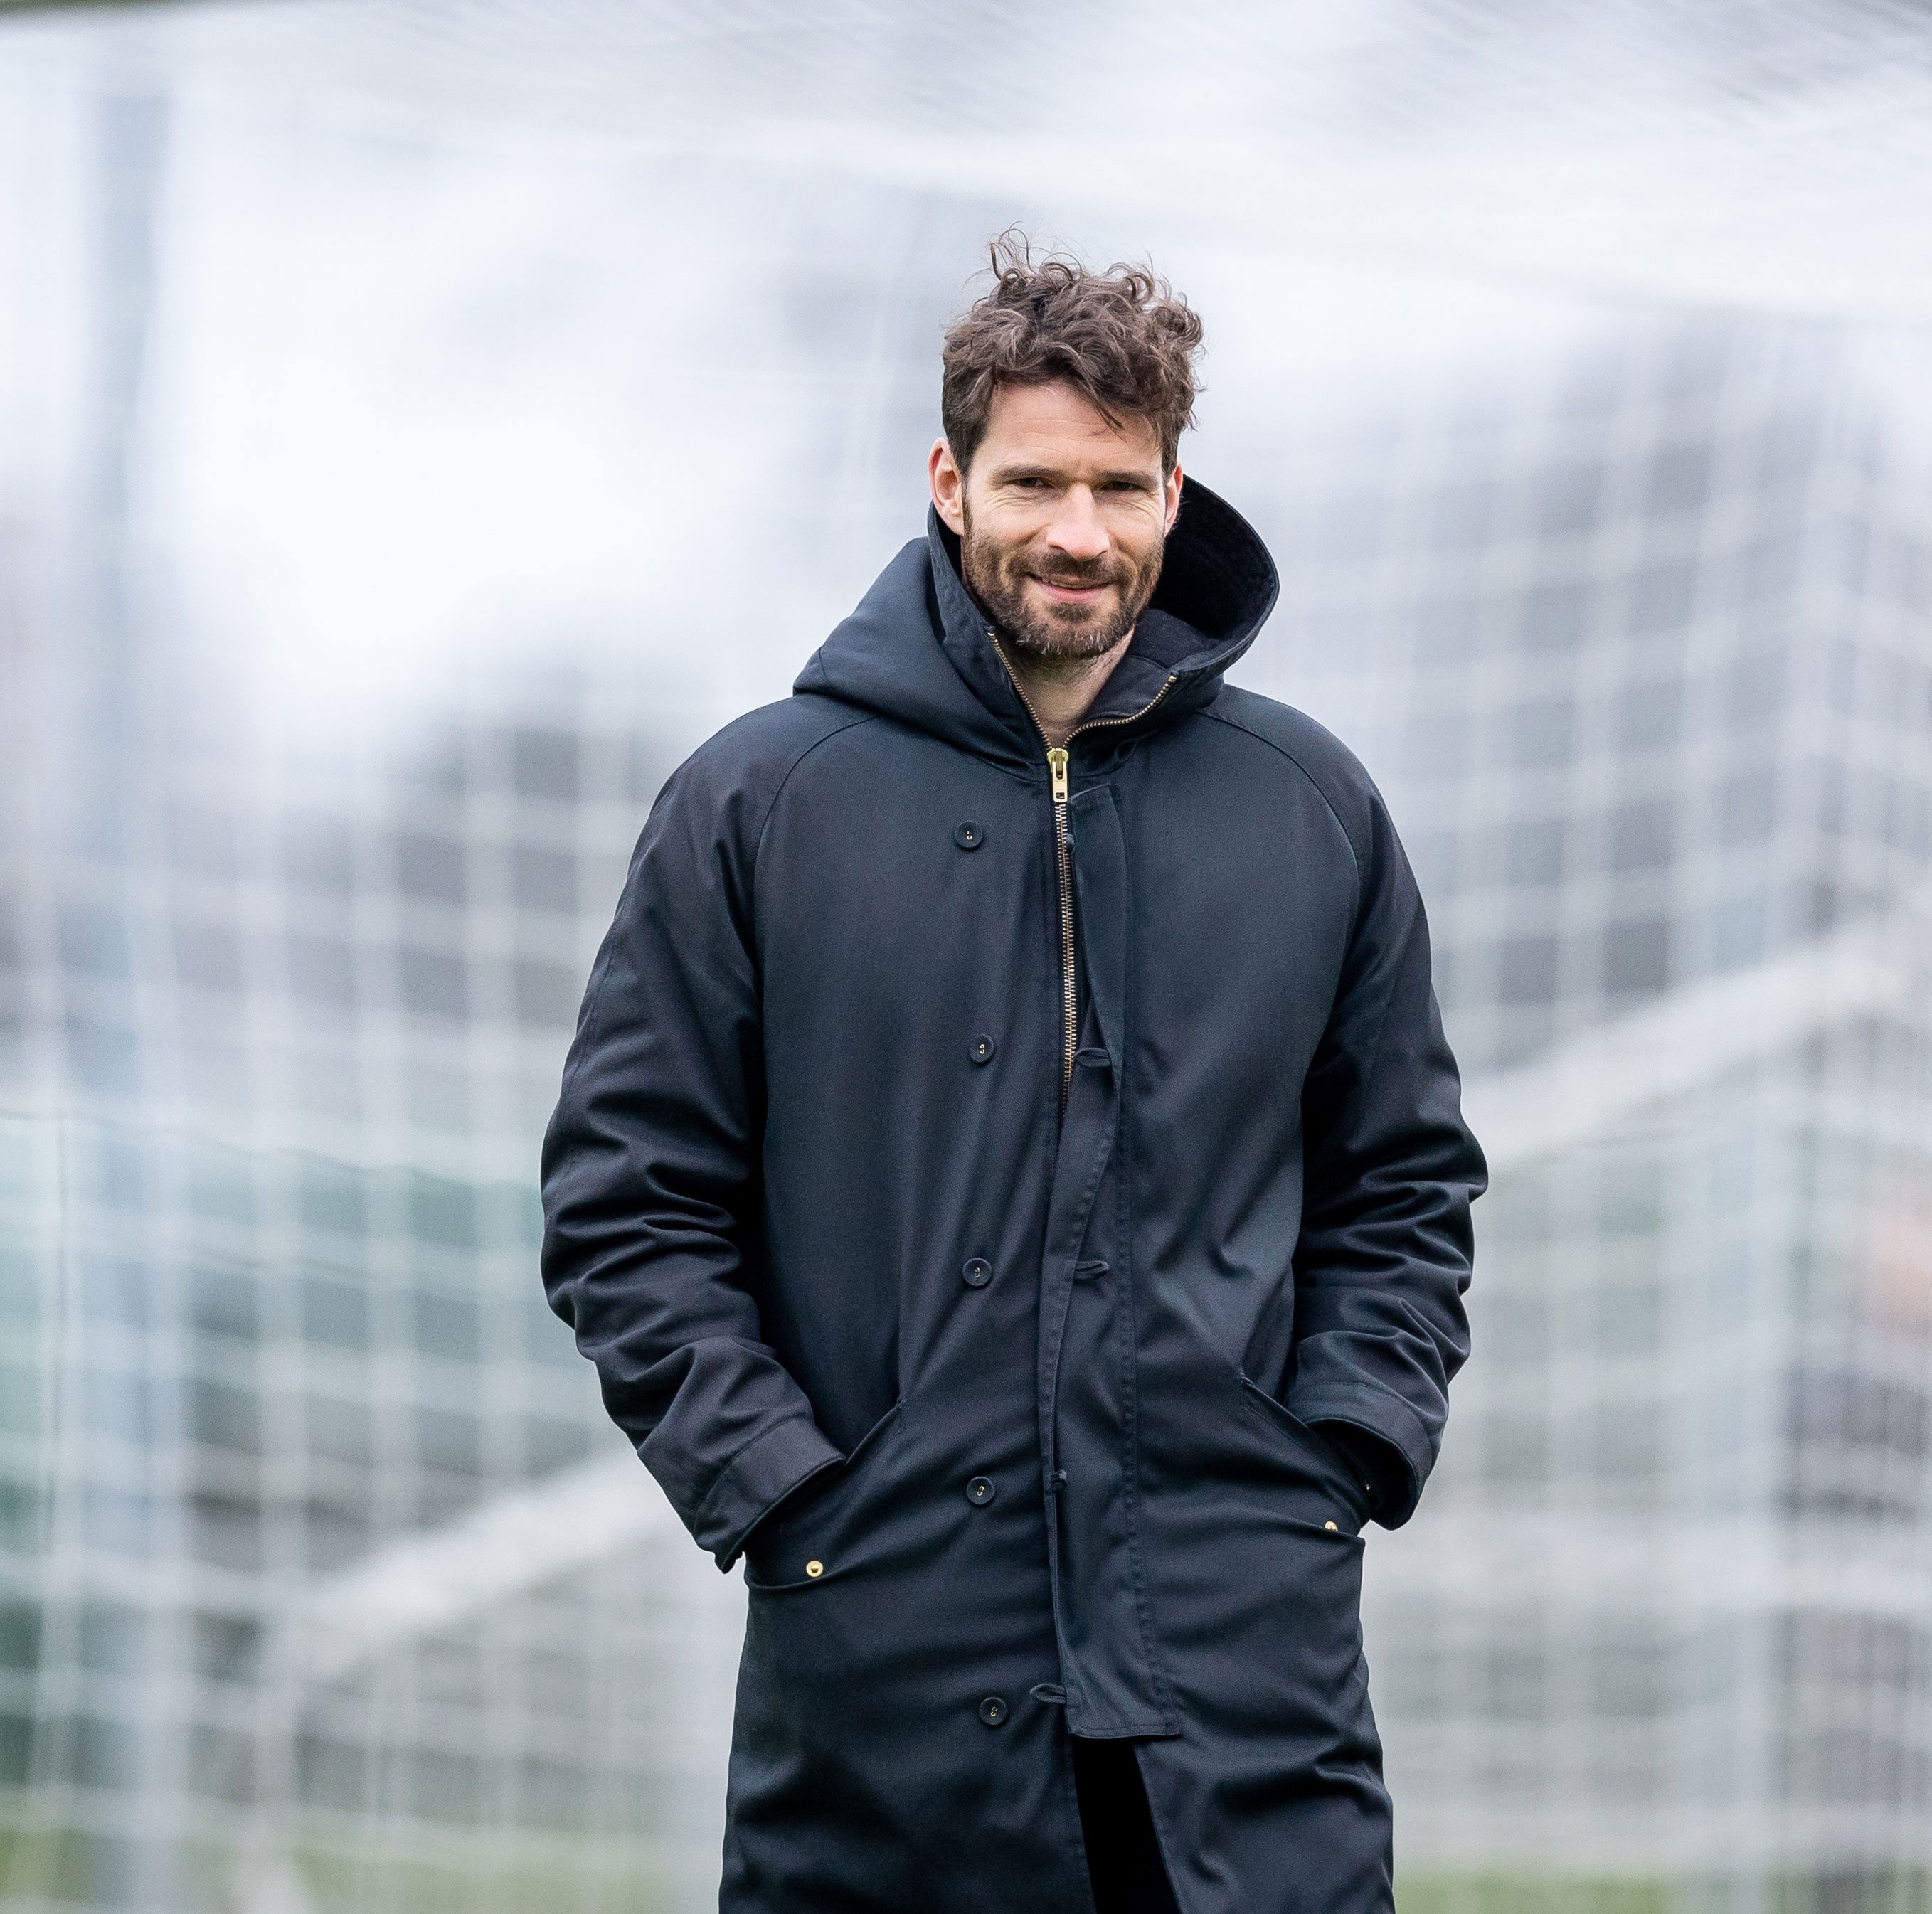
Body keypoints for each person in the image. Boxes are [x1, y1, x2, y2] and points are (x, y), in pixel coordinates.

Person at [541, 238, 1485, 1914]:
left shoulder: (1312, 806)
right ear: (948, 479)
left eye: (1119, 485)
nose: (1077, 530)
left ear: (1172, 494)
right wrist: (788, 1494)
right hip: (885, 1683)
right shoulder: (759, 800)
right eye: (1035, 477)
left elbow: (1401, 1183)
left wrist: (1334, 1455)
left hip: (1245, 1678)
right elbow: (626, 1203)